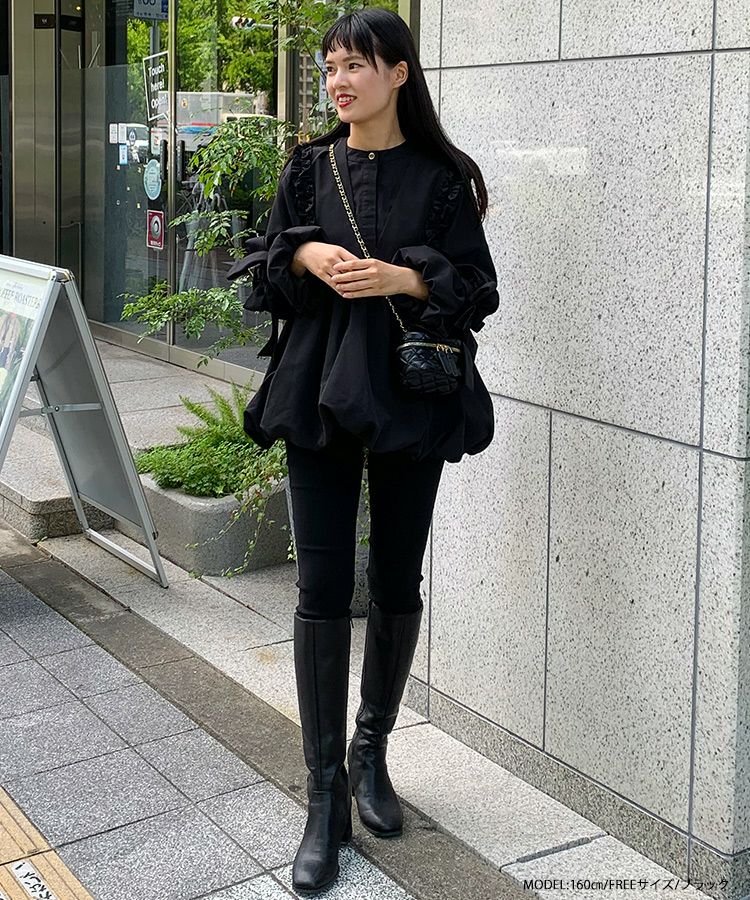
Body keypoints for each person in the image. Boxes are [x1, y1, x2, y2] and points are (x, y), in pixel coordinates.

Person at [227, 7, 499, 895]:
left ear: (399, 73)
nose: (339, 81)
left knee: (394, 579)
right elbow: (266, 270)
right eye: (331, 66)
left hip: (411, 398)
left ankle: (372, 750)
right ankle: (323, 796)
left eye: (355, 65)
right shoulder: (308, 169)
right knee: (318, 588)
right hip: (318, 392)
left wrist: (402, 277)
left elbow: (478, 287)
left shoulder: (445, 178)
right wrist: (307, 256)